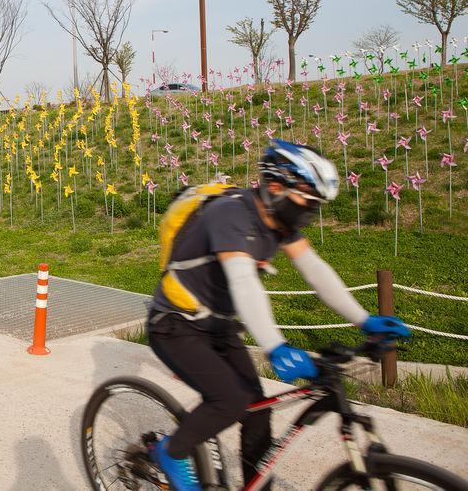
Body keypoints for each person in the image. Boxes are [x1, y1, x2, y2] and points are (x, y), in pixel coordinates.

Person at [146, 139, 410, 491]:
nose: (311, 211)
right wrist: (275, 346)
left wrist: (364, 320)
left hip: (217, 324)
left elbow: (314, 269)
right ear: (275, 187)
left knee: (257, 408)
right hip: (174, 325)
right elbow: (243, 281)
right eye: (308, 201)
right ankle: (171, 452)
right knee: (230, 400)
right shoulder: (231, 213)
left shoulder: (279, 222)